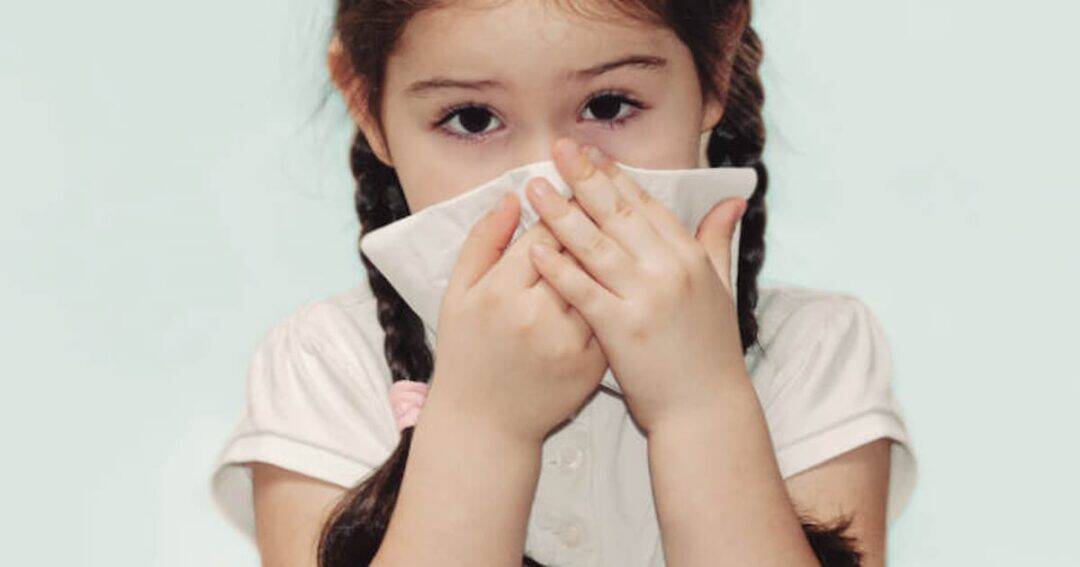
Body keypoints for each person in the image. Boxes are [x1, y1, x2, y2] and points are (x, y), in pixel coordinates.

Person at [209, 0, 919, 564]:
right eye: (472, 118)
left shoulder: (813, 353)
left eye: (609, 106)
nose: (551, 182)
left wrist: (698, 404)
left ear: (716, 70)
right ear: (368, 105)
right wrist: (483, 425)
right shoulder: (325, 367)